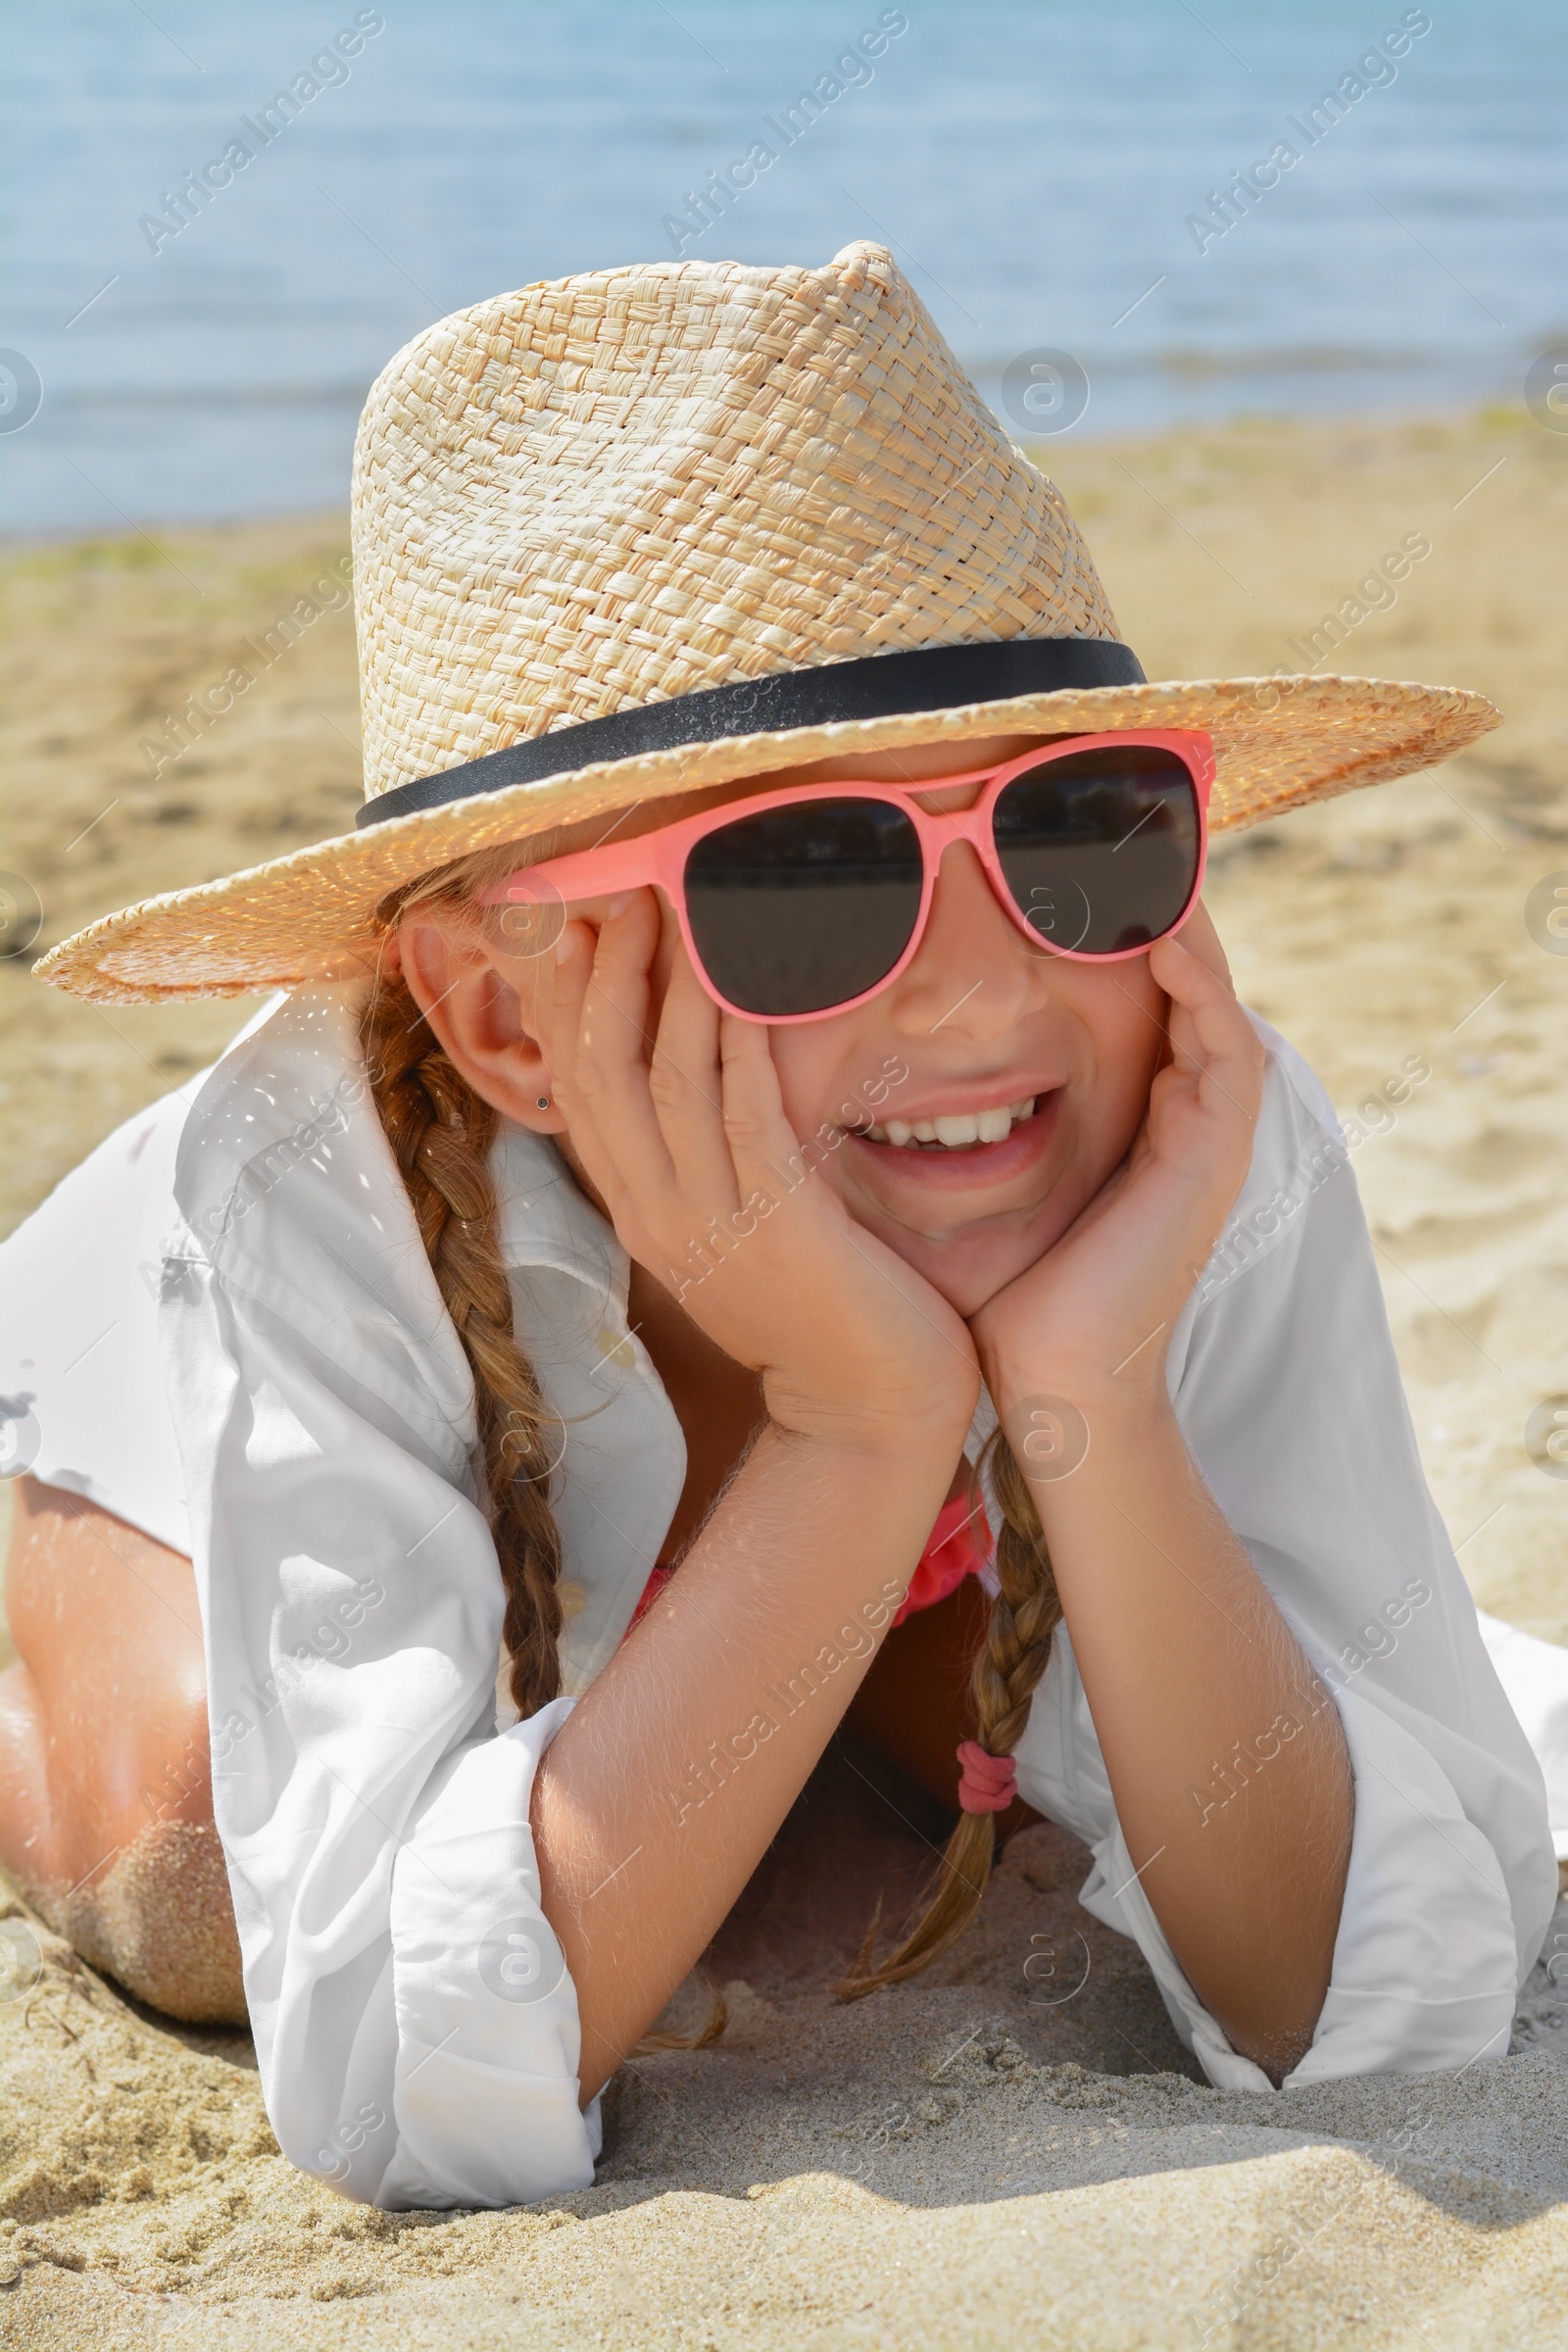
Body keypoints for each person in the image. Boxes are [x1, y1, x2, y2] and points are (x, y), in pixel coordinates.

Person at [0, 244, 1558, 2212]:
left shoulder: (1179, 1116)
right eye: (806, 881)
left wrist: (1090, 1399)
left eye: (1078, 825)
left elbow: (1386, 2005)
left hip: (847, 1540)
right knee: (191, 1851)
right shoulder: (319, 1196)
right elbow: (397, 2084)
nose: (983, 998)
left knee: (1001, 1771)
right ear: (503, 1011)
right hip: (164, 1374)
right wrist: (847, 1422)